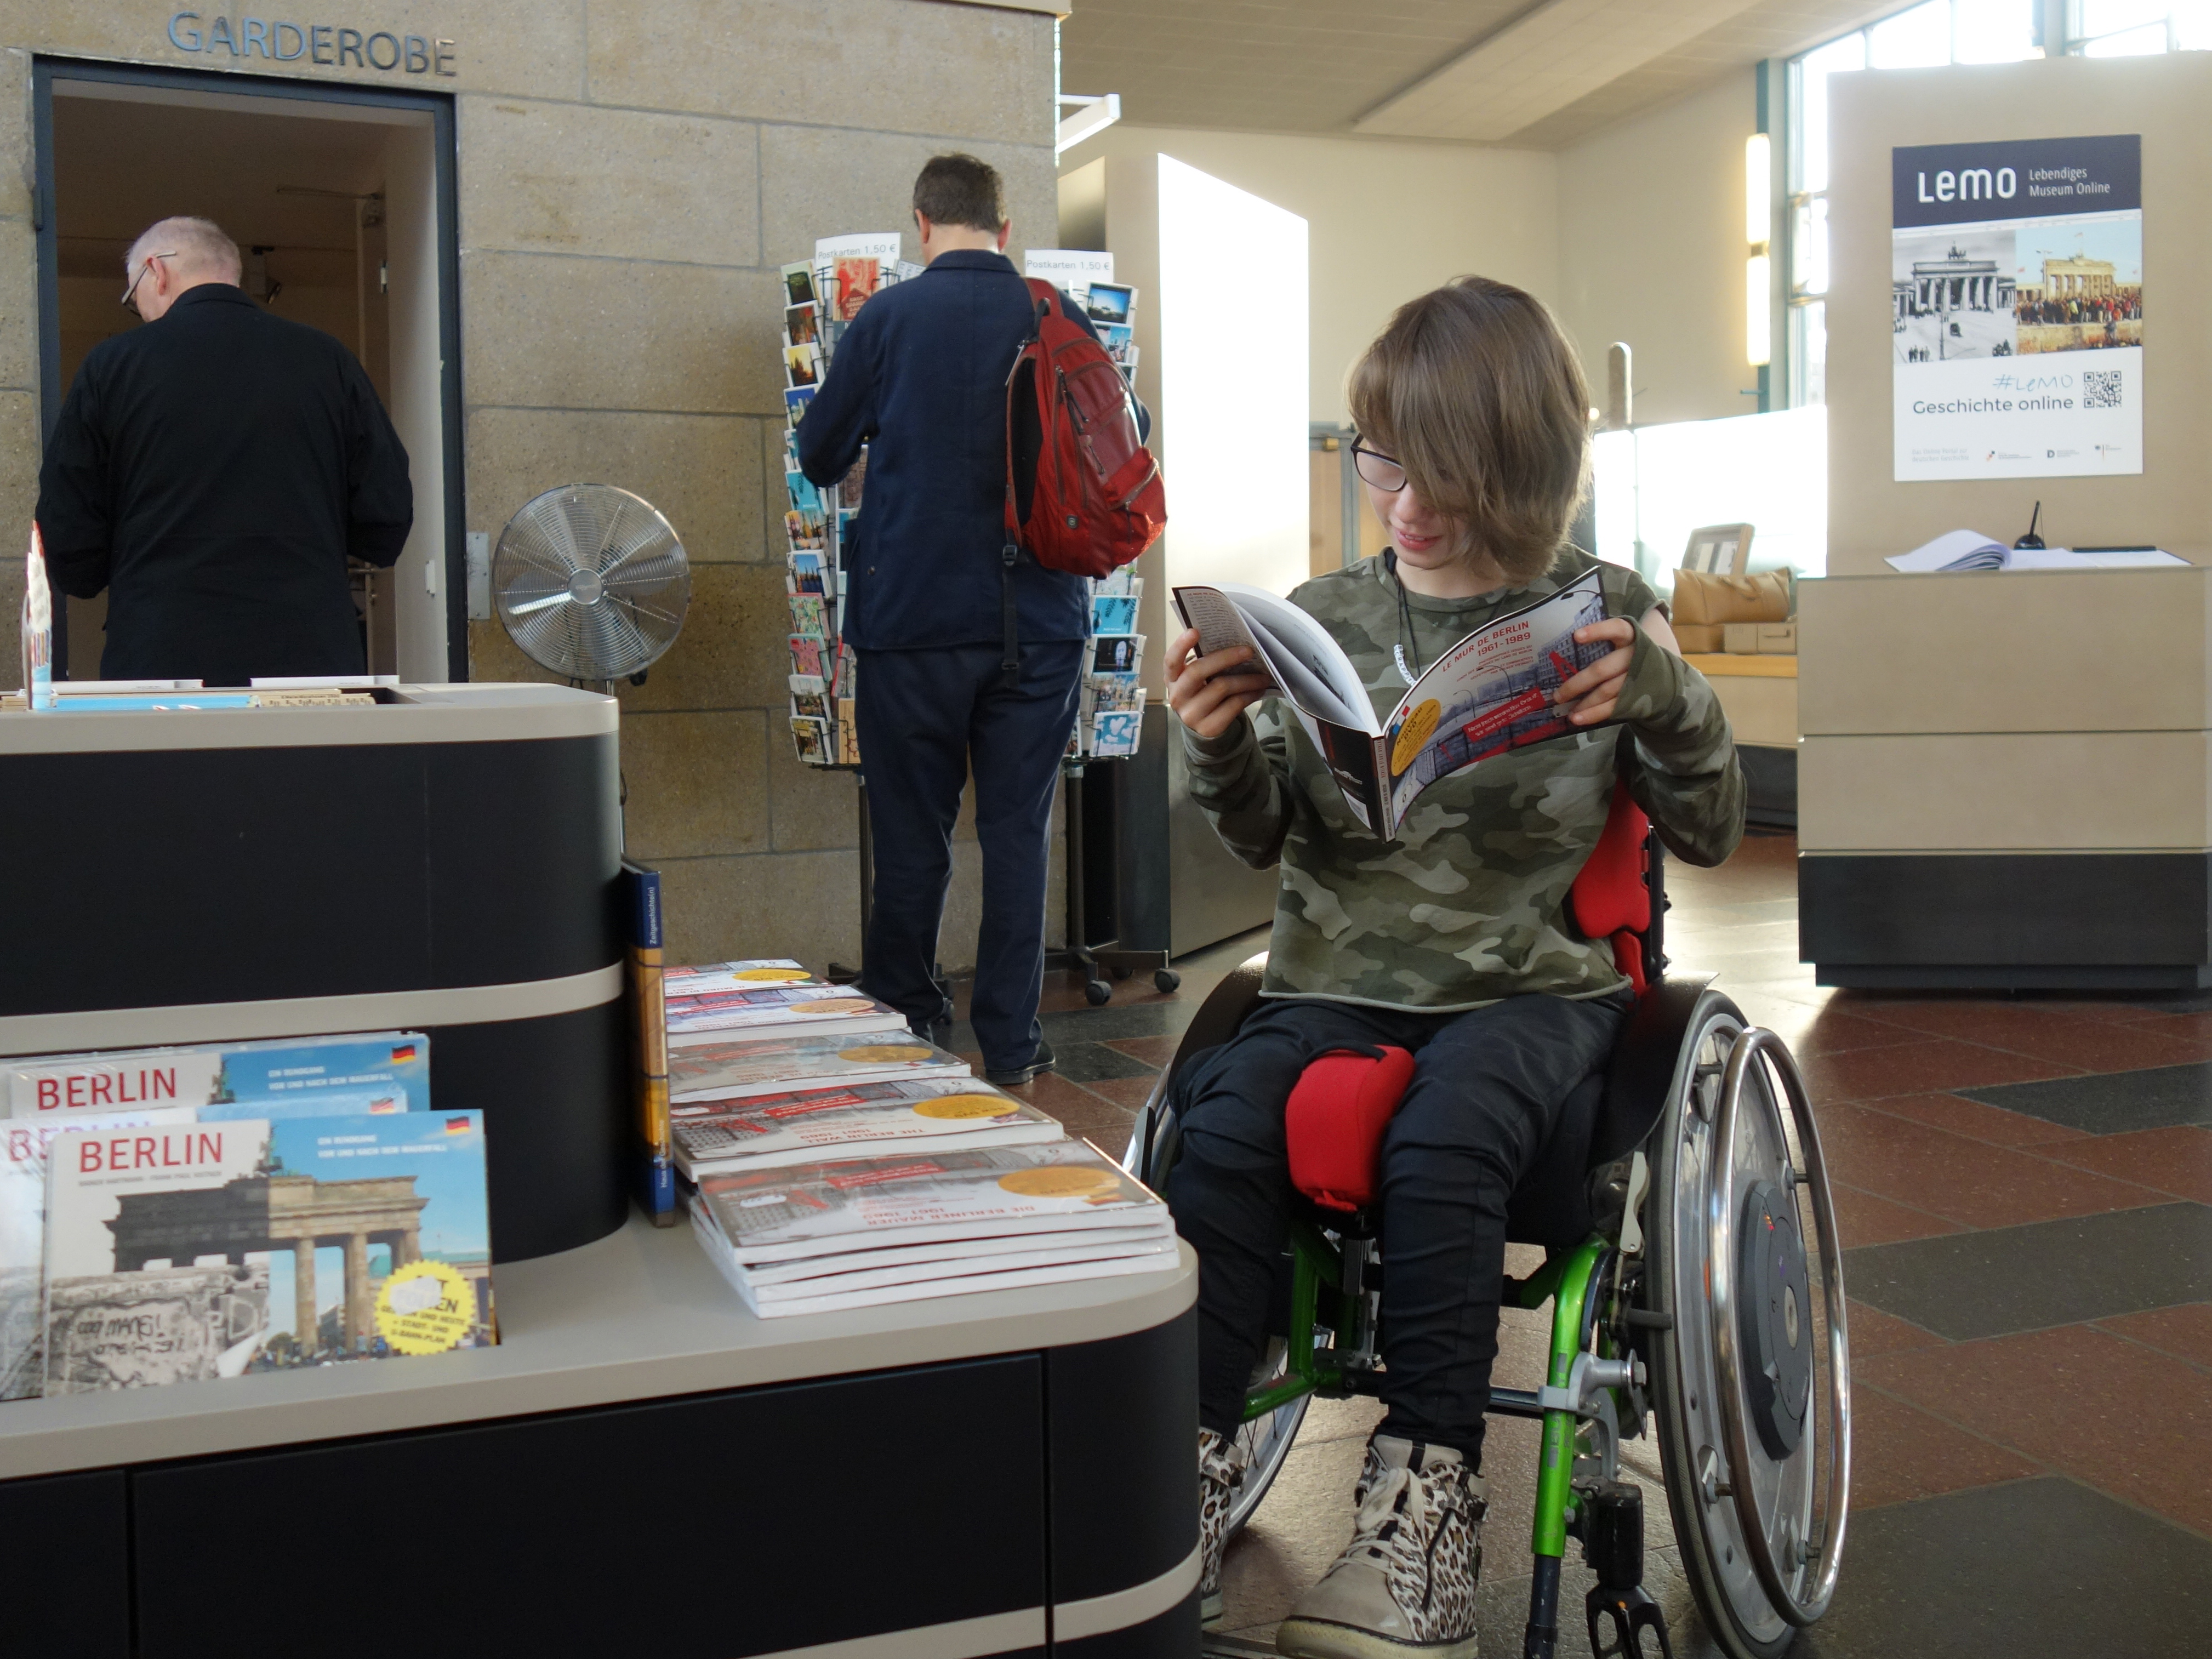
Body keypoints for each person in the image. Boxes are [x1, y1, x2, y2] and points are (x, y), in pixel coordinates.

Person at [1163, 277, 1743, 1658]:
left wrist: (1660, 695)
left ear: (1522, 465)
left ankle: (1420, 1512)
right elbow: (1264, 838)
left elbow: (1712, 831)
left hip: (1526, 990)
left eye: (1446, 471)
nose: (1405, 499)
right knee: (1223, 1128)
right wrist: (1213, 743)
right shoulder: (1317, 613)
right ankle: (1171, 1483)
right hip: (1323, 977)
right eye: (1380, 457)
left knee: (1448, 1132)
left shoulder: (1606, 613)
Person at [797, 155, 1138, 1086]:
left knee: (913, 838)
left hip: (911, 625)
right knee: (1020, 837)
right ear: (1004, 224)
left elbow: (820, 452)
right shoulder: (1054, 318)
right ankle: (1014, 1044)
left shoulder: (887, 319)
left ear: (921, 224)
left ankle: (909, 1019)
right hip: (1041, 624)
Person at [36, 215, 412, 683]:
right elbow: (386, 516)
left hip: (160, 657)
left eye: (135, 300)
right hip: (310, 657)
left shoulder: (110, 368)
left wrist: (101, 571)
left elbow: (68, 532)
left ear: (158, 272)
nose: (142, 313)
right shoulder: (328, 360)